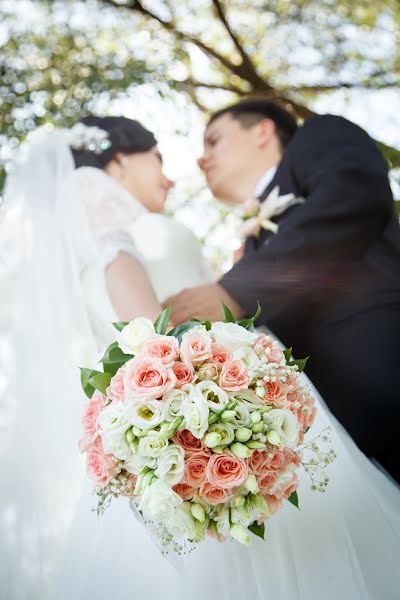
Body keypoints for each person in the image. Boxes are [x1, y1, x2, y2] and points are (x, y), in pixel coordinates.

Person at [0, 115, 210, 599]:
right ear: (118, 161)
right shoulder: (103, 216)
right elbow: (154, 334)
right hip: (184, 407)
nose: (169, 176)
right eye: (158, 158)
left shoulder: (77, 234)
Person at [166, 99, 400, 484]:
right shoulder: (250, 248)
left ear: (262, 130)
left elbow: (351, 198)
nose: (201, 159)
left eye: (214, 141)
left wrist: (239, 288)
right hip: (348, 443)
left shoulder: (319, 136)